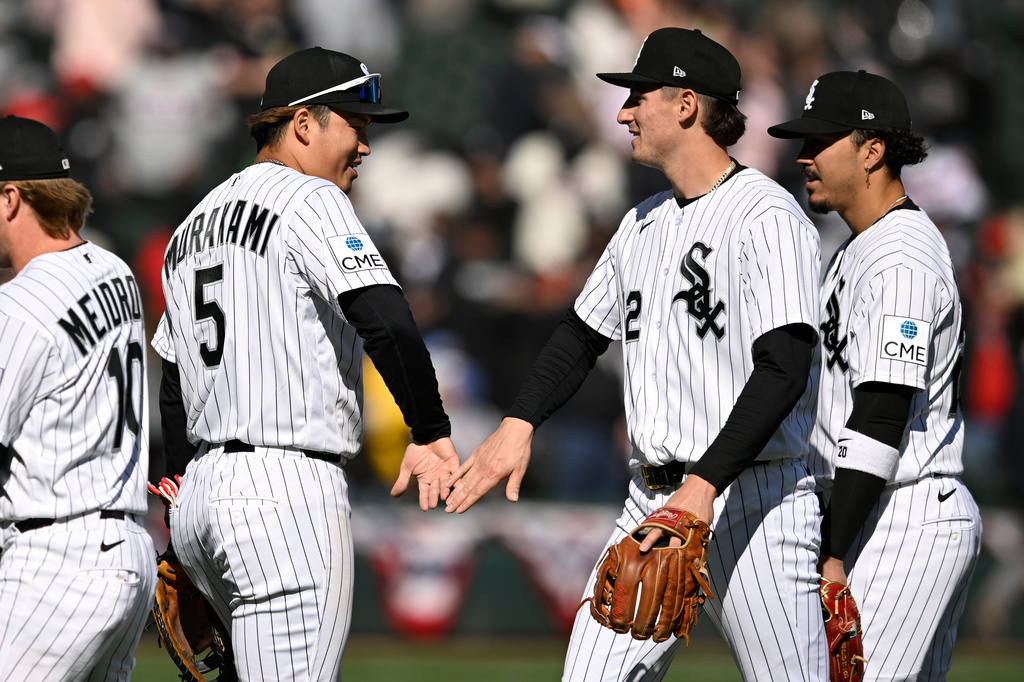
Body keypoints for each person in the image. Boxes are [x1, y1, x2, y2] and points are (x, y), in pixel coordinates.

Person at [446, 27, 828, 681]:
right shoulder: (641, 221)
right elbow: (578, 337)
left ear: (686, 105)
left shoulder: (768, 215)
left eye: (638, 97)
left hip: (753, 498)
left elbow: (785, 366)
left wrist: (704, 488)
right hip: (651, 499)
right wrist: (518, 424)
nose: (623, 112)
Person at [151, 47, 459, 680]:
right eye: (355, 124)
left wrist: (181, 505)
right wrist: (429, 430)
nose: (365, 146)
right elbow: (386, 318)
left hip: (202, 498)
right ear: (303, 125)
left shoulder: (190, 226)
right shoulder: (310, 199)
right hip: (285, 491)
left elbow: (175, 383)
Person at [768, 70, 982, 680]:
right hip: (879, 507)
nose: (803, 155)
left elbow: (882, 413)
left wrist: (832, 549)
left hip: (906, 514)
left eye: (820, 140)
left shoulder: (902, 257)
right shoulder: (858, 246)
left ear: (872, 149)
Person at [0, 115, 156, 680]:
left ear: (11, 197)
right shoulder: (114, 270)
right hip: (126, 549)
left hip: (56, 560)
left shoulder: (20, 305)